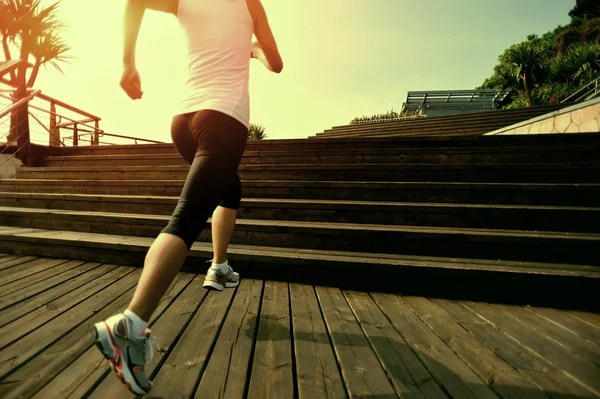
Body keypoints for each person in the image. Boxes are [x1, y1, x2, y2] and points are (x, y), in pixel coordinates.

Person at [91, 0, 283, 394]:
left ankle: (219, 265)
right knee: (186, 219)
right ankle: (129, 325)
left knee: (230, 190)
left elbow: (135, 1)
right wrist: (253, 47)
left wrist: (128, 64)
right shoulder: (251, 4)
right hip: (223, 119)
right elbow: (276, 63)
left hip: (184, 121)